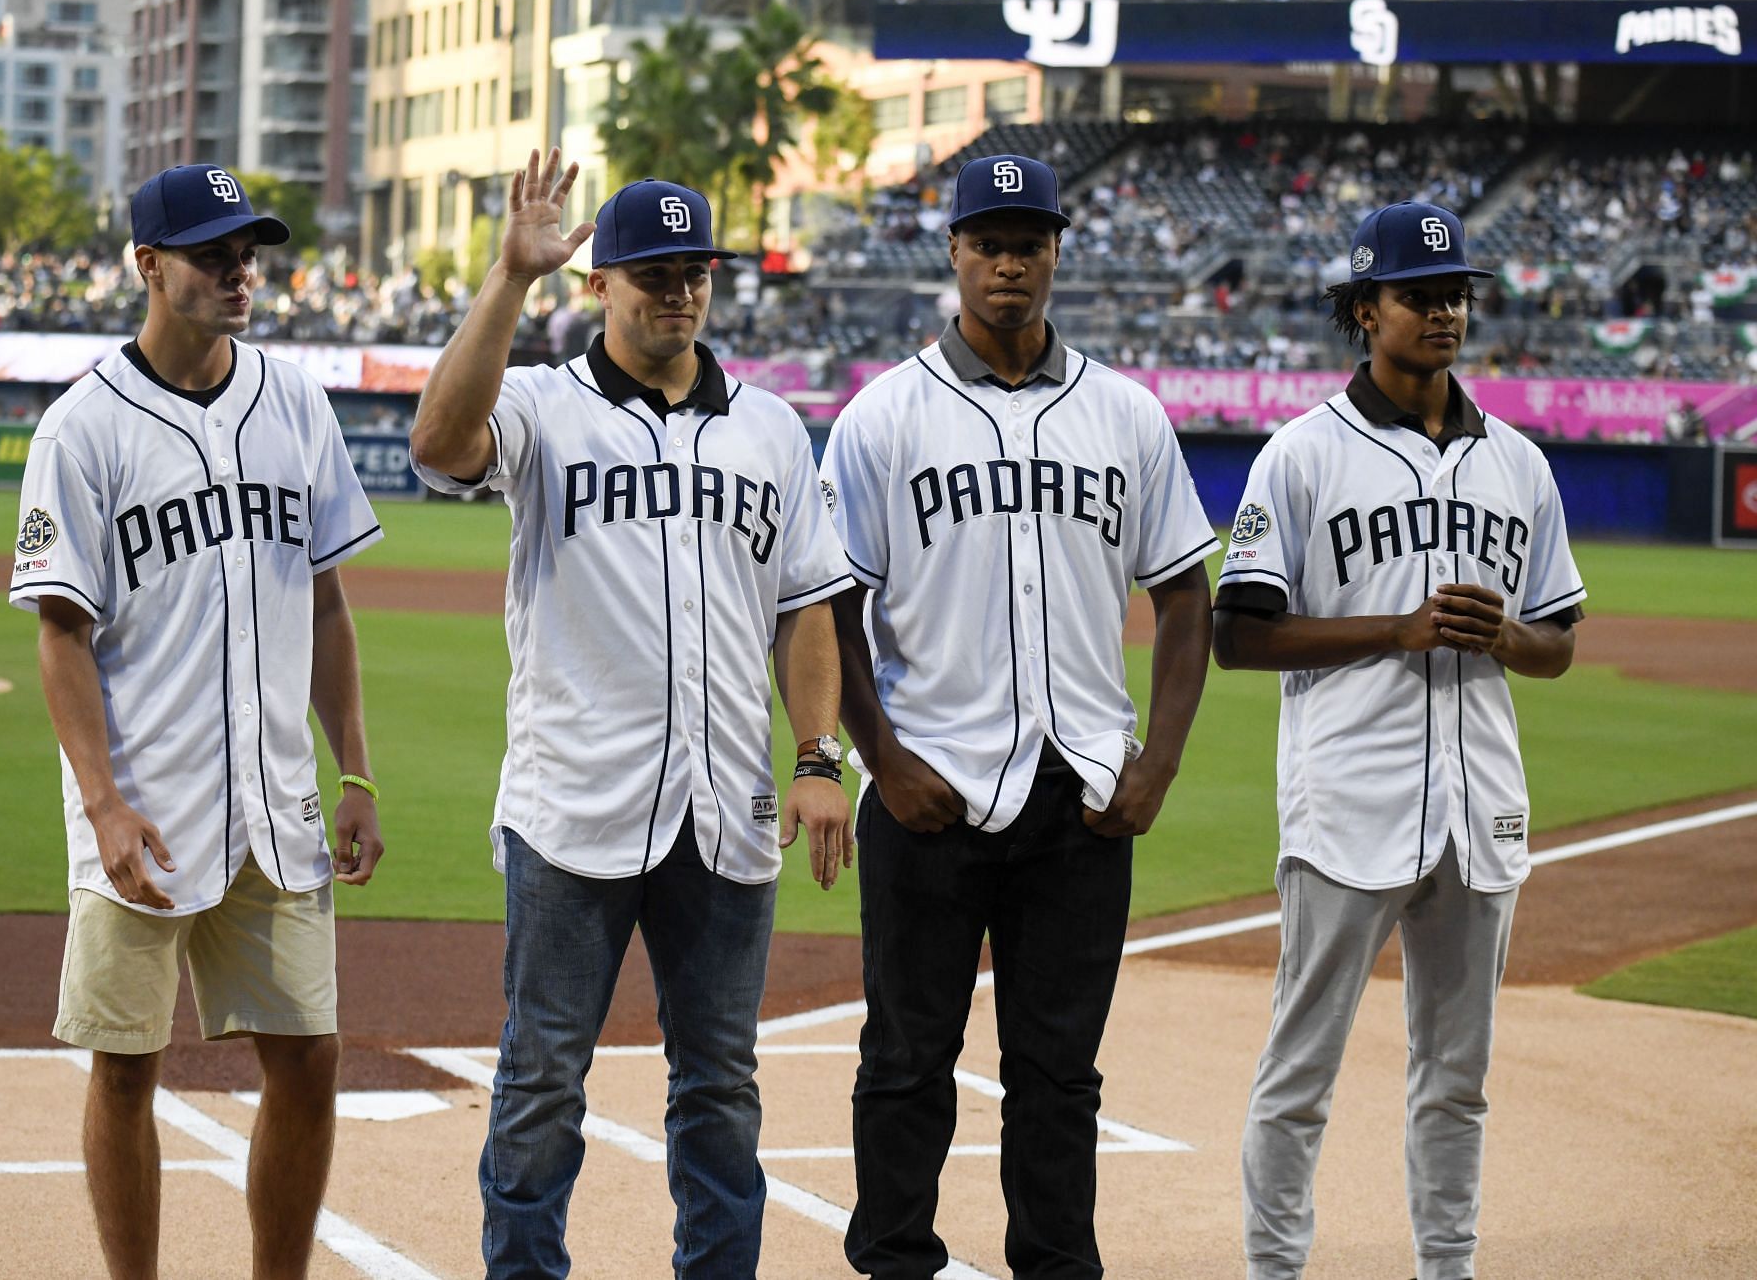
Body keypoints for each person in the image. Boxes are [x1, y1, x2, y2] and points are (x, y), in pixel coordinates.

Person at [407, 148, 855, 1278]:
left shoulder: (770, 430)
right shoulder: (546, 408)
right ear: (600, 282)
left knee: (720, 1085)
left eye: (694, 269)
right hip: (570, 808)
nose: (679, 290)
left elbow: (807, 609)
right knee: (544, 1077)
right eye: (652, 271)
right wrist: (508, 278)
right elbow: (439, 446)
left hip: (727, 815)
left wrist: (818, 756)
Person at [820, 153, 1218, 1279]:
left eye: (1028, 239)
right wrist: (881, 758)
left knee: (1059, 1073)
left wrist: (1161, 762)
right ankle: (894, 1261)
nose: (1009, 260)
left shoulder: (1125, 414)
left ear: (1056, 252)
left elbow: (1185, 592)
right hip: (929, 790)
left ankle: (1057, 1266)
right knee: (906, 1058)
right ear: (951, 251)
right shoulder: (883, 417)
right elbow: (831, 609)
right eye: (988, 240)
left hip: (1080, 796)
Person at [8, 164, 388, 1279]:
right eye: (214, 252)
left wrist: (354, 771)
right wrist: (104, 801)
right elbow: (60, 632)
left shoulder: (295, 400)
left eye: (248, 250)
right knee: (127, 1065)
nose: (240, 271)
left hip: (279, 799)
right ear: (148, 265)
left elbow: (325, 596)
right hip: (147, 811)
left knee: (309, 1057)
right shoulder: (83, 426)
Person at [1217, 201, 1585, 1280]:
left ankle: (1447, 1267)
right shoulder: (1299, 455)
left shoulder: (1518, 461)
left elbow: (1559, 636)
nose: (1444, 311)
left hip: (1479, 804)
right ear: (1363, 308)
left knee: (1457, 1076)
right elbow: (1240, 633)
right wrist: (1397, 627)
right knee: (1301, 1071)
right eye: (1420, 294)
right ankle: (1275, 1269)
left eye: (1455, 294)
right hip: (1349, 803)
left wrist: (1509, 636)